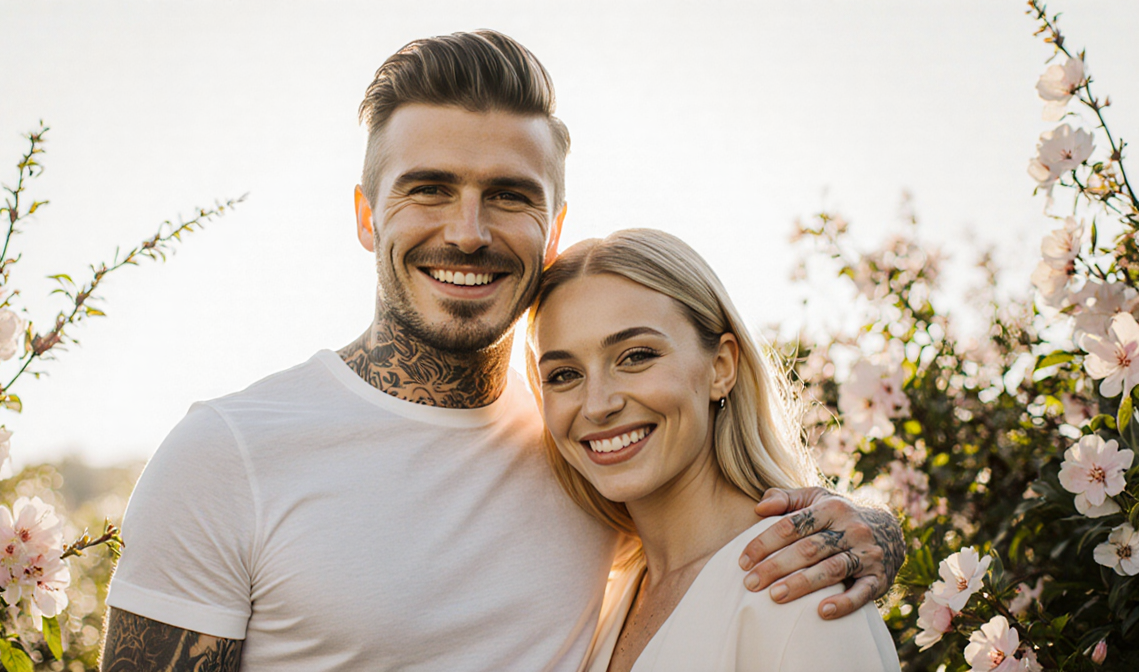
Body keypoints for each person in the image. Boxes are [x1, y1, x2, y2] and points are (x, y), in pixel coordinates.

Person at [99, 31, 905, 670]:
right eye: (429, 187)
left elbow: (715, 531)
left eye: (510, 196)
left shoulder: (580, 447)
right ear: (366, 215)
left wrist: (868, 524)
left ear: (552, 229)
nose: (469, 231)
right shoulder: (230, 454)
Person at [527, 228, 900, 671]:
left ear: (721, 366)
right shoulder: (604, 602)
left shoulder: (796, 592)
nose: (597, 404)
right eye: (564, 374)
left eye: (636, 356)